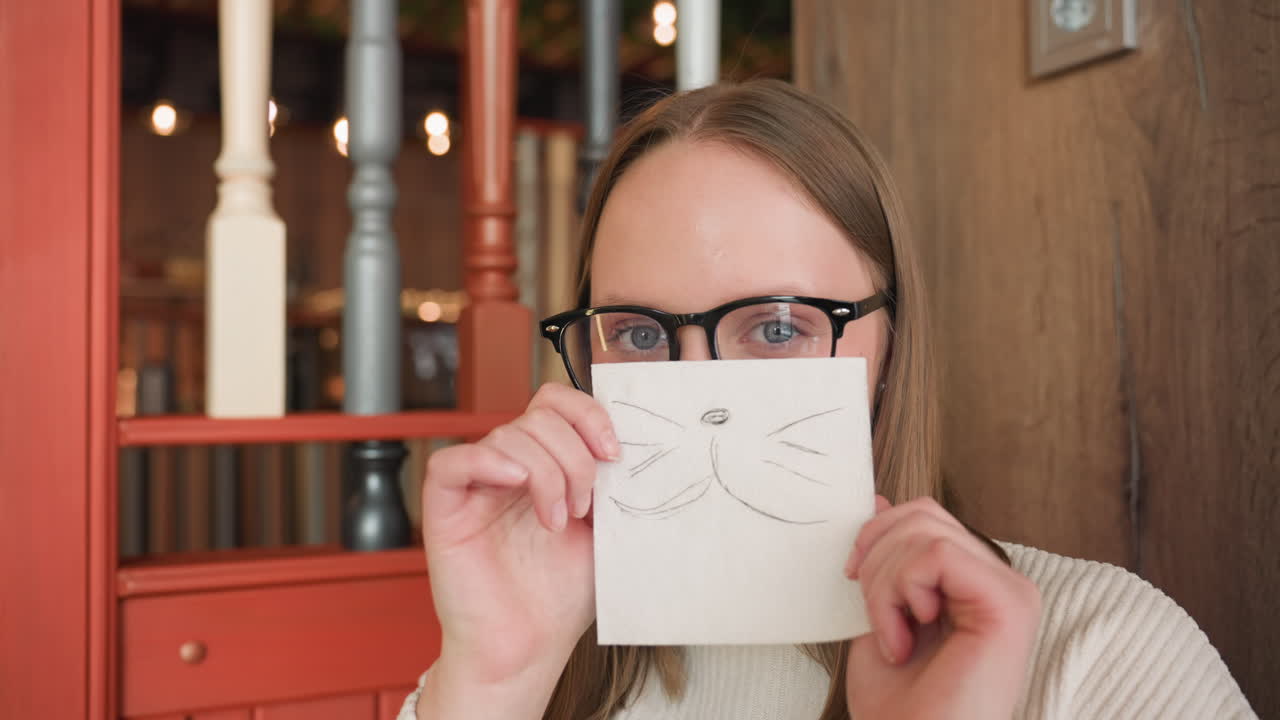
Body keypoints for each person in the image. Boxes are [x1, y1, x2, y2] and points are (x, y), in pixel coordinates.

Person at [399, 80, 1255, 719]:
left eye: (776, 330)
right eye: (640, 334)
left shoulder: (1104, 655)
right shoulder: (515, 668)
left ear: (894, 343)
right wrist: (494, 681)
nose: (703, 390)